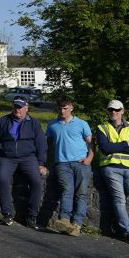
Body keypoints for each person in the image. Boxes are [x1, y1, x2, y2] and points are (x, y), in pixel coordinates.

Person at [0, 95, 48, 227]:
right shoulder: (2, 121)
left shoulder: (34, 123)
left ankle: (32, 216)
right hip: (6, 157)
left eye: (20, 107)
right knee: (3, 180)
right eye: (15, 107)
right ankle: (7, 214)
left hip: (28, 157)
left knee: (37, 181)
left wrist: (41, 163)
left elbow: (41, 144)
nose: (17, 110)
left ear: (26, 108)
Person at [95, 100, 129, 246]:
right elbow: (105, 149)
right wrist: (125, 144)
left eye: (117, 110)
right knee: (119, 200)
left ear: (122, 111)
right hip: (111, 168)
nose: (114, 112)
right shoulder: (102, 128)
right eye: (111, 110)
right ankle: (128, 232)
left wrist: (115, 147)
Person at [46, 98, 93, 236]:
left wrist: (89, 158)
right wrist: (46, 162)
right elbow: (48, 144)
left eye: (65, 108)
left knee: (81, 194)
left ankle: (77, 224)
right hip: (62, 163)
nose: (62, 111)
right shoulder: (52, 125)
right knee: (67, 190)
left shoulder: (82, 124)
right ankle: (64, 220)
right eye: (60, 108)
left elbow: (90, 143)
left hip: (81, 163)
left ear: (71, 108)